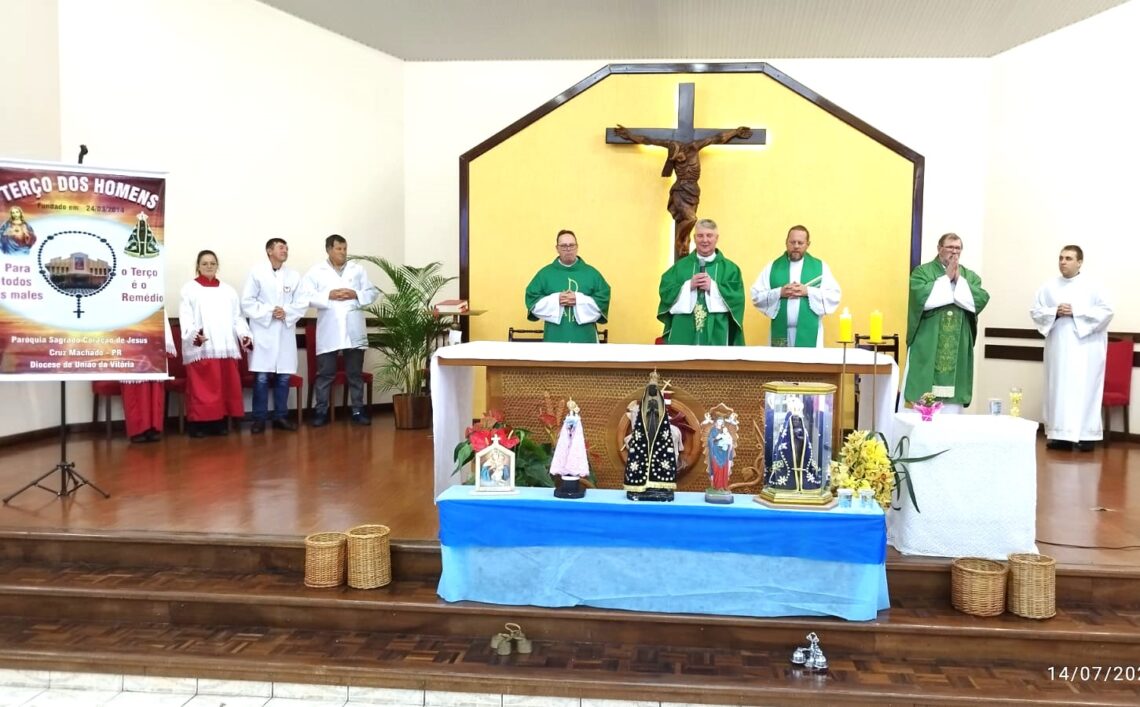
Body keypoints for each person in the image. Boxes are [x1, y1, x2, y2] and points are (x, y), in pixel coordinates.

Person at [613, 125, 752, 260]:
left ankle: (684, 240)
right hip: (679, 190)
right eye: (675, 160)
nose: (678, 161)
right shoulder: (670, 147)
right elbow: (648, 140)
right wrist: (630, 135)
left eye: (679, 156)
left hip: (693, 191)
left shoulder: (694, 147)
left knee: (686, 222)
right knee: (691, 219)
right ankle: (680, 240)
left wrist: (735, 132)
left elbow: (716, 138)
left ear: (682, 150)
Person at [1030, 246, 1113, 452]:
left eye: (1068, 258)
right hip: (1058, 347)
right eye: (1060, 258)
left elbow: (1106, 312)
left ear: (1079, 262)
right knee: (1058, 388)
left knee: (1084, 389)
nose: (1063, 262)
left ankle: (1086, 436)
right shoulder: (1048, 287)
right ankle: (1060, 436)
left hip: (1086, 349)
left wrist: (1076, 312)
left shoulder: (1094, 286)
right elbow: (1036, 311)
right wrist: (1054, 312)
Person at [902, 233, 990, 412]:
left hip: (957, 344)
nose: (954, 252)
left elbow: (979, 299)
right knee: (923, 385)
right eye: (950, 247)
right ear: (939, 248)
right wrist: (946, 281)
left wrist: (958, 280)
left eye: (958, 248)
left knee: (952, 404)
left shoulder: (969, 276)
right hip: (928, 340)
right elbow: (922, 299)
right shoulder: (922, 272)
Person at [301, 234, 378, 427]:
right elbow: (305, 295)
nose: (343, 252)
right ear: (328, 249)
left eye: (345, 248)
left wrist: (355, 293)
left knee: (355, 373)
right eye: (338, 249)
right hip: (329, 330)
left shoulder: (357, 270)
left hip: (354, 329)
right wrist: (328, 295)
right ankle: (321, 412)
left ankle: (358, 411)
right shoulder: (316, 271)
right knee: (325, 374)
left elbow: (371, 292)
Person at [179, 250, 252, 438]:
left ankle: (219, 422)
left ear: (217, 265)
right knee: (202, 388)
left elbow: (237, 317)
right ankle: (198, 425)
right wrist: (194, 335)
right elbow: (186, 317)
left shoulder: (228, 291)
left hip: (225, 345)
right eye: (205, 263)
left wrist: (244, 334)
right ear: (198, 266)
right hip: (203, 346)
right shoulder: (189, 289)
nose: (209, 266)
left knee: (223, 386)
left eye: (212, 263)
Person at [241, 238, 306, 433]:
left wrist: (286, 312)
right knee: (261, 378)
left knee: (284, 378)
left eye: (286, 247)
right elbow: (247, 302)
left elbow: (302, 302)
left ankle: (281, 417)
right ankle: (259, 418)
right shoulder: (257, 273)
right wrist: (271, 311)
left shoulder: (294, 276)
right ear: (269, 251)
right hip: (263, 333)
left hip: (285, 333)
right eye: (281, 247)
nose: (285, 250)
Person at [657, 218, 745, 346]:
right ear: (694, 238)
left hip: (717, 329)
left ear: (716, 238)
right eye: (700, 236)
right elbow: (665, 292)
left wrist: (714, 287)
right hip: (684, 327)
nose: (705, 240)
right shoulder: (679, 267)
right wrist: (688, 286)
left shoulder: (731, 269)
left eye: (709, 235)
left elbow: (738, 299)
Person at [750, 225, 842, 347]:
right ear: (786, 243)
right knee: (780, 366)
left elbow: (834, 296)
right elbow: (756, 296)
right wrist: (779, 293)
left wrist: (808, 291)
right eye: (792, 242)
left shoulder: (820, 267)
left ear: (808, 244)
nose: (796, 246)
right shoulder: (773, 267)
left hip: (810, 334)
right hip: (780, 334)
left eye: (800, 243)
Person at [524, 229, 611, 343]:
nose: (568, 249)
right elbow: (532, 300)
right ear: (557, 248)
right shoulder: (545, 274)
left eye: (571, 245)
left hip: (585, 337)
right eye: (564, 246)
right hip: (555, 335)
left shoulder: (592, 273)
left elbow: (603, 300)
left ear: (577, 247)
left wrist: (579, 300)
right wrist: (556, 300)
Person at [120, 318, 177, 443]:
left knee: (155, 386)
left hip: (153, 344)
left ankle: (153, 427)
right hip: (130, 345)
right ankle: (138, 429)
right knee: (135, 389)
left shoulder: (154, 299)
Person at [623, 371, 678, 501]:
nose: (652, 393)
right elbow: (641, 415)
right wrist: (648, 410)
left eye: (654, 390)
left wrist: (656, 410)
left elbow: (662, 414)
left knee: (658, 455)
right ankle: (641, 485)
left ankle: (659, 485)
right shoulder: (644, 404)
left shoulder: (660, 404)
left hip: (658, 431)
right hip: (646, 430)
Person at [766, 395, 822, 492]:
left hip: (800, 455)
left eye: (798, 419)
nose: (796, 420)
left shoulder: (803, 431)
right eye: (794, 419)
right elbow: (782, 447)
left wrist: (800, 438)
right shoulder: (785, 431)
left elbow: (807, 448)